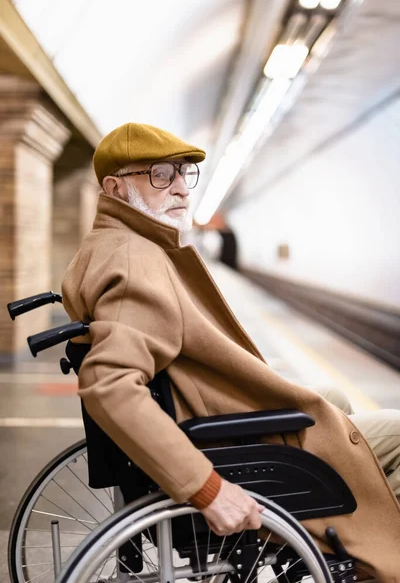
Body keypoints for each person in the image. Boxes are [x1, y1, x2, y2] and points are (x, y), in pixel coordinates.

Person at [62, 123, 400, 580]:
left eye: (183, 173)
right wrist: (206, 488)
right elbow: (109, 384)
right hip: (227, 444)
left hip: (210, 419)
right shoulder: (134, 259)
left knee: (328, 400)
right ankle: (374, 556)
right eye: (160, 175)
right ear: (115, 187)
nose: (181, 187)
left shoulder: (113, 244)